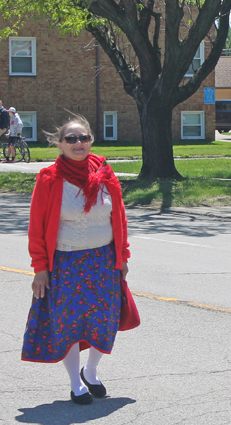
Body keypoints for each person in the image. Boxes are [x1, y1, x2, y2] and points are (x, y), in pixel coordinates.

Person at [22, 114, 130, 405]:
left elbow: (119, 218)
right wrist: (40, 269)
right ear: (59, 145)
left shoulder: (106, 175)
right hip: (66, 264)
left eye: (83, 138)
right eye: (71, 139)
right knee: (68, 324)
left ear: (91, 141)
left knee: (105, 320)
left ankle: (91, 370)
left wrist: (123, 257)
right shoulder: (49, 179)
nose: (78, 143)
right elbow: (36, 228)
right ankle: (75, 384)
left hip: (103, 261)